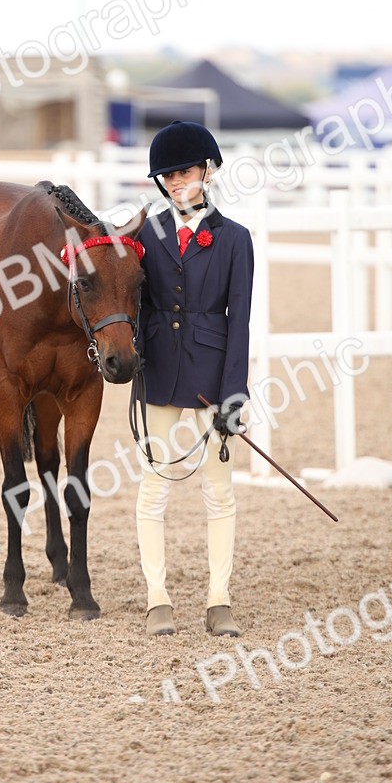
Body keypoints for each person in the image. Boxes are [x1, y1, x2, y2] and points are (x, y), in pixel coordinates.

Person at [134, 120, 254, 638]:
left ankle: (218, 598)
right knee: (154, 485)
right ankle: (157, 596)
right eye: (169, 175)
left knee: (218, 490)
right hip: (160, 369)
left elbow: (240, 321)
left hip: (211, 370)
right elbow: (134, 307)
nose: (179, 181)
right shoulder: (146, 235)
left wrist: (234, 393)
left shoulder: (234, 240)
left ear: (207, 171)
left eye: (187, 171)